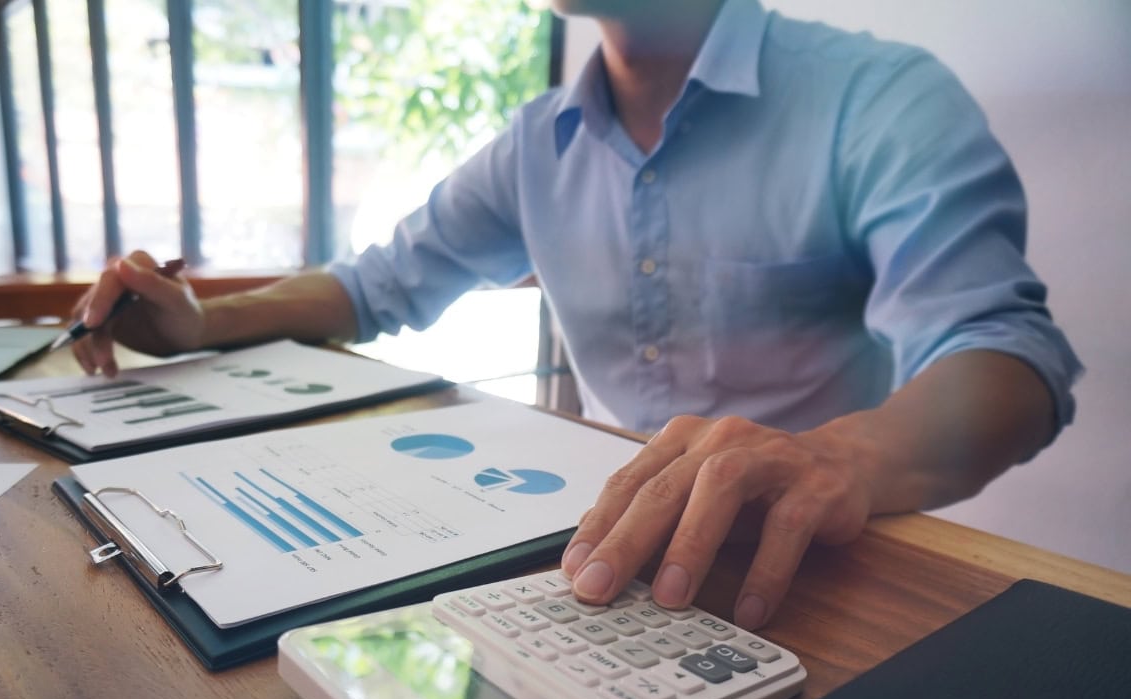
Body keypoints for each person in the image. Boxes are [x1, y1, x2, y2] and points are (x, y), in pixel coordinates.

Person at [70, 0, 1082, 630]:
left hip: (816, 579)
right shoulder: (532, 145)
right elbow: (373, 284)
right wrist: (201, 326)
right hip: (597, 556)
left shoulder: (878, 97)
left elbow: (1004, 354)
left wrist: (840, 457)